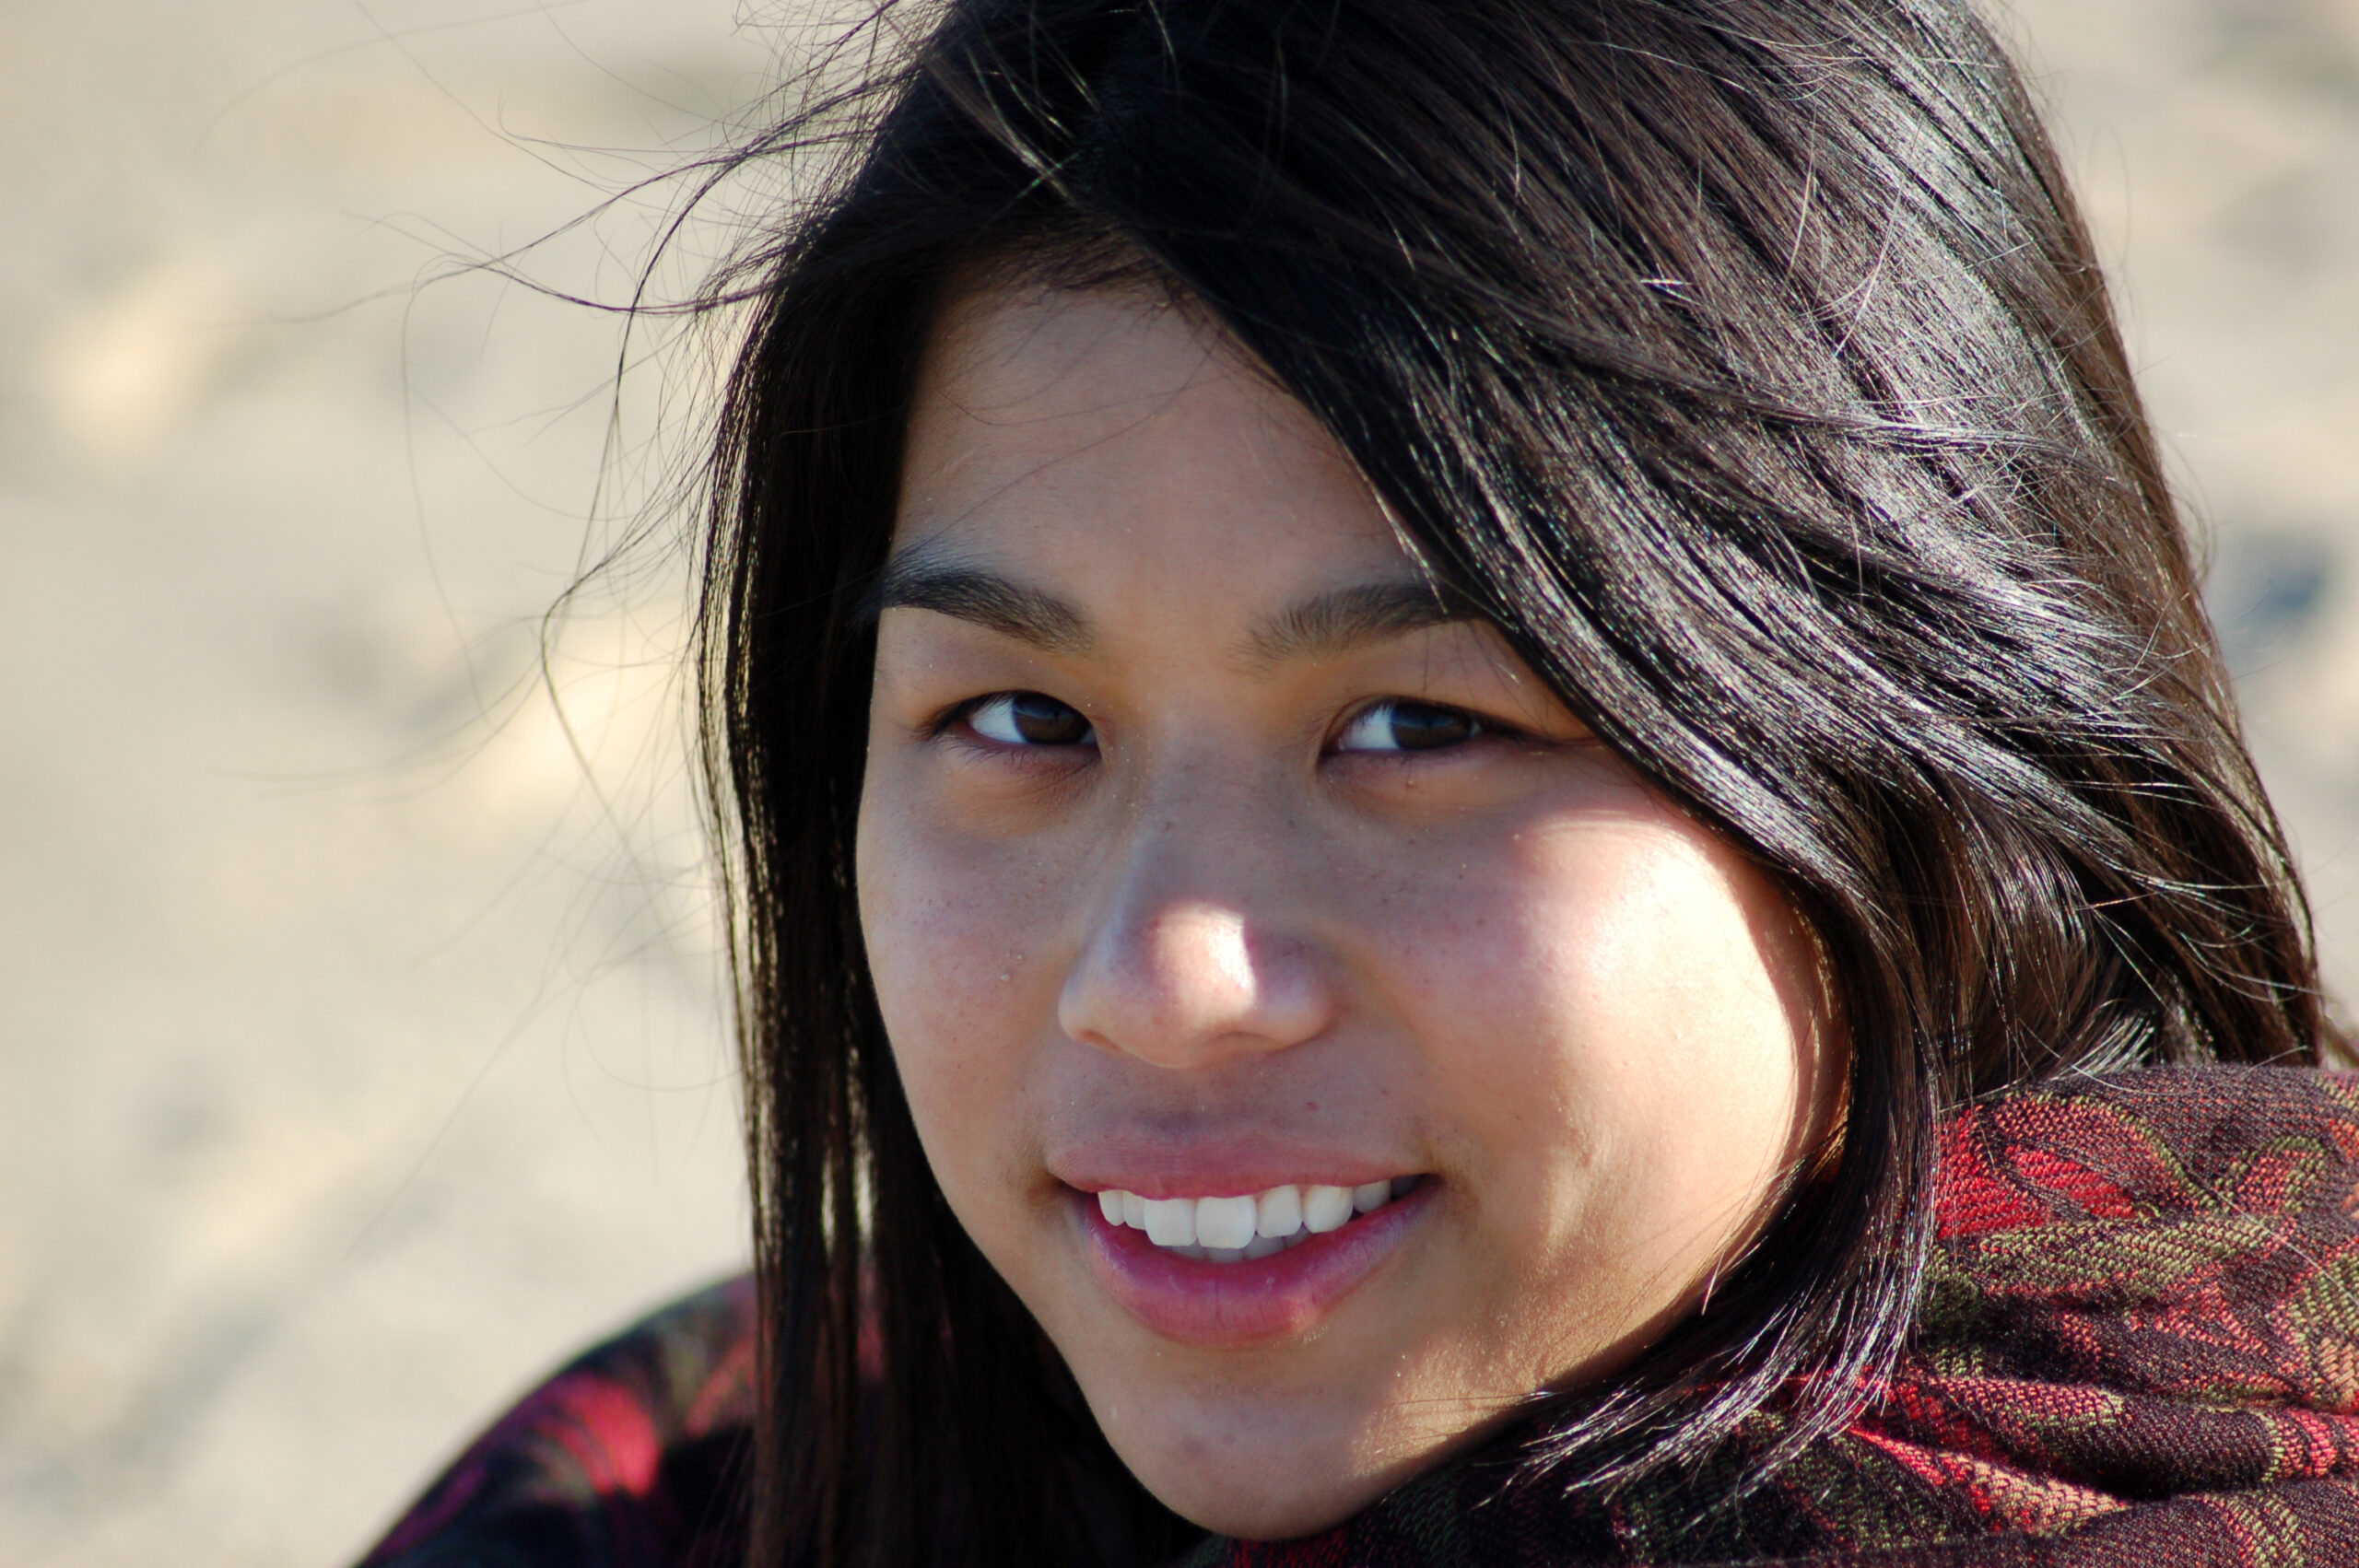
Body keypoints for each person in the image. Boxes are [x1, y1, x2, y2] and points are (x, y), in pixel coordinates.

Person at [356, 0, 2359, 1564]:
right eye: (1019, 723)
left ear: (1911, 755)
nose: (1159, 974)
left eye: (1413, 725)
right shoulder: (699, 1471)